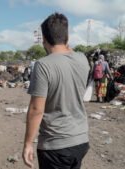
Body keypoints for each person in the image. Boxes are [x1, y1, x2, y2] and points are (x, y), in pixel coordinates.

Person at [23, 13, 90, 169]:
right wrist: (65, 41)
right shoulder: (82, 59)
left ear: (44, 40)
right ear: (67, 39)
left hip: (56, 146)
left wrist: (27, 144)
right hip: (81, 140)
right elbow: (68, 50)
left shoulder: (43, 65)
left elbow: (36, 110)